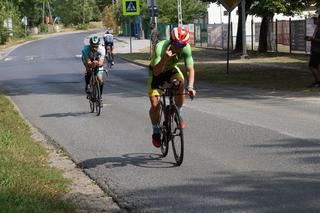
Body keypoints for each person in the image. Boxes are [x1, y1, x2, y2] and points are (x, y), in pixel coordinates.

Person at [148, 26, 196, 148]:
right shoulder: (161, 48)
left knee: (180, 84)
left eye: (183, 46)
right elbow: (156, 72)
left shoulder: (185, 48)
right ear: (171, 41)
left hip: (170, 71)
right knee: (155, 104)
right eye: (178, 45)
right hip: (156, 72)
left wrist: (190, 87)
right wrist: (165, 58)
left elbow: (190, 69)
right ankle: (156, 131)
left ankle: (178, 113)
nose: (180, 48)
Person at [82, 34, 106, 106]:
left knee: (100, 80)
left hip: (97, 60)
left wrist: (97, 64)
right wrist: (92, 64)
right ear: (90, 45)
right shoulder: (85, 50)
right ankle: (88, 85)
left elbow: (101, 63)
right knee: (89, 69)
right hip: (88, 59)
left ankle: (100, 97)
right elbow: (88, 63)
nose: (95, 48)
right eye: (93, 46)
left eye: (96, 46)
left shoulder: (102, 49)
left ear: (98, 45)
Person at [306, 13, 320, 88]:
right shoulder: (317, 27)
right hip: (315, 49)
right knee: (316, 66)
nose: (314, 20)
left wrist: (312, 39)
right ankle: (318, 81)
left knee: (311, 66)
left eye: (316, 19)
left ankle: (318, 82)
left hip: (317, 51)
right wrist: (311, 39)